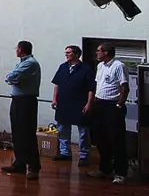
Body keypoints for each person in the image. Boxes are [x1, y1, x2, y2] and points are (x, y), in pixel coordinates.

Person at [89, 43, 129, 184]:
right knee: (101, 138)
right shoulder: (100, 66)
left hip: (113, 105)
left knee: (116, 139)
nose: (96, 53)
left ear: (106, 52)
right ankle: (104, 168)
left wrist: (119, 105)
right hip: (100, 104)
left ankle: (120, 172)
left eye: (99, 51)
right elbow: (98, 85)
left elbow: (124, 87)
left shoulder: (119, 66)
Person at [1, 41, 41, 179]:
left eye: (16, 48)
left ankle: (34, 167)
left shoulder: (30, 63)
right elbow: (13, 77)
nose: (15, 50)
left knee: (27, 134)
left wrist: (11, 78)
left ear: (21, 50)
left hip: (26, 102)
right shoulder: (22, 62)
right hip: (18, 101)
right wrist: (13, 78)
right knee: (17, 134)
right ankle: (20, 164)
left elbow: (11, 76)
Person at [51, 44, 95, 165]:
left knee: (83, 130)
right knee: (62, 129)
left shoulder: (85, 69)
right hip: (64, 103)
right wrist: (54, 99)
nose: (66, 55)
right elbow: (57, 84)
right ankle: (65, 153)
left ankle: (84, 155)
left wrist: (89, 103)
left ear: (76, 54)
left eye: (69, 53)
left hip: (79, 103)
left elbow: (91, 88)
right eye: (66, 53)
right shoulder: (63, 67)